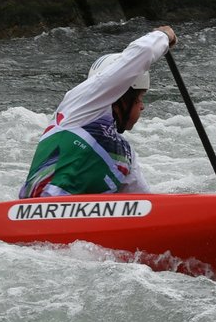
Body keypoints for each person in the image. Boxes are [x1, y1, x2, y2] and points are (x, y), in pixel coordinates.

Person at [19, 25, 176, 198]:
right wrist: (163, 36)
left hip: (76, 222)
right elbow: (145, 51)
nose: (142, 106)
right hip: (36, 213)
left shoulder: (125, 154)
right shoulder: (80, 107)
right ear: (121, 96)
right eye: (139, 98)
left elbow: (145, 205)